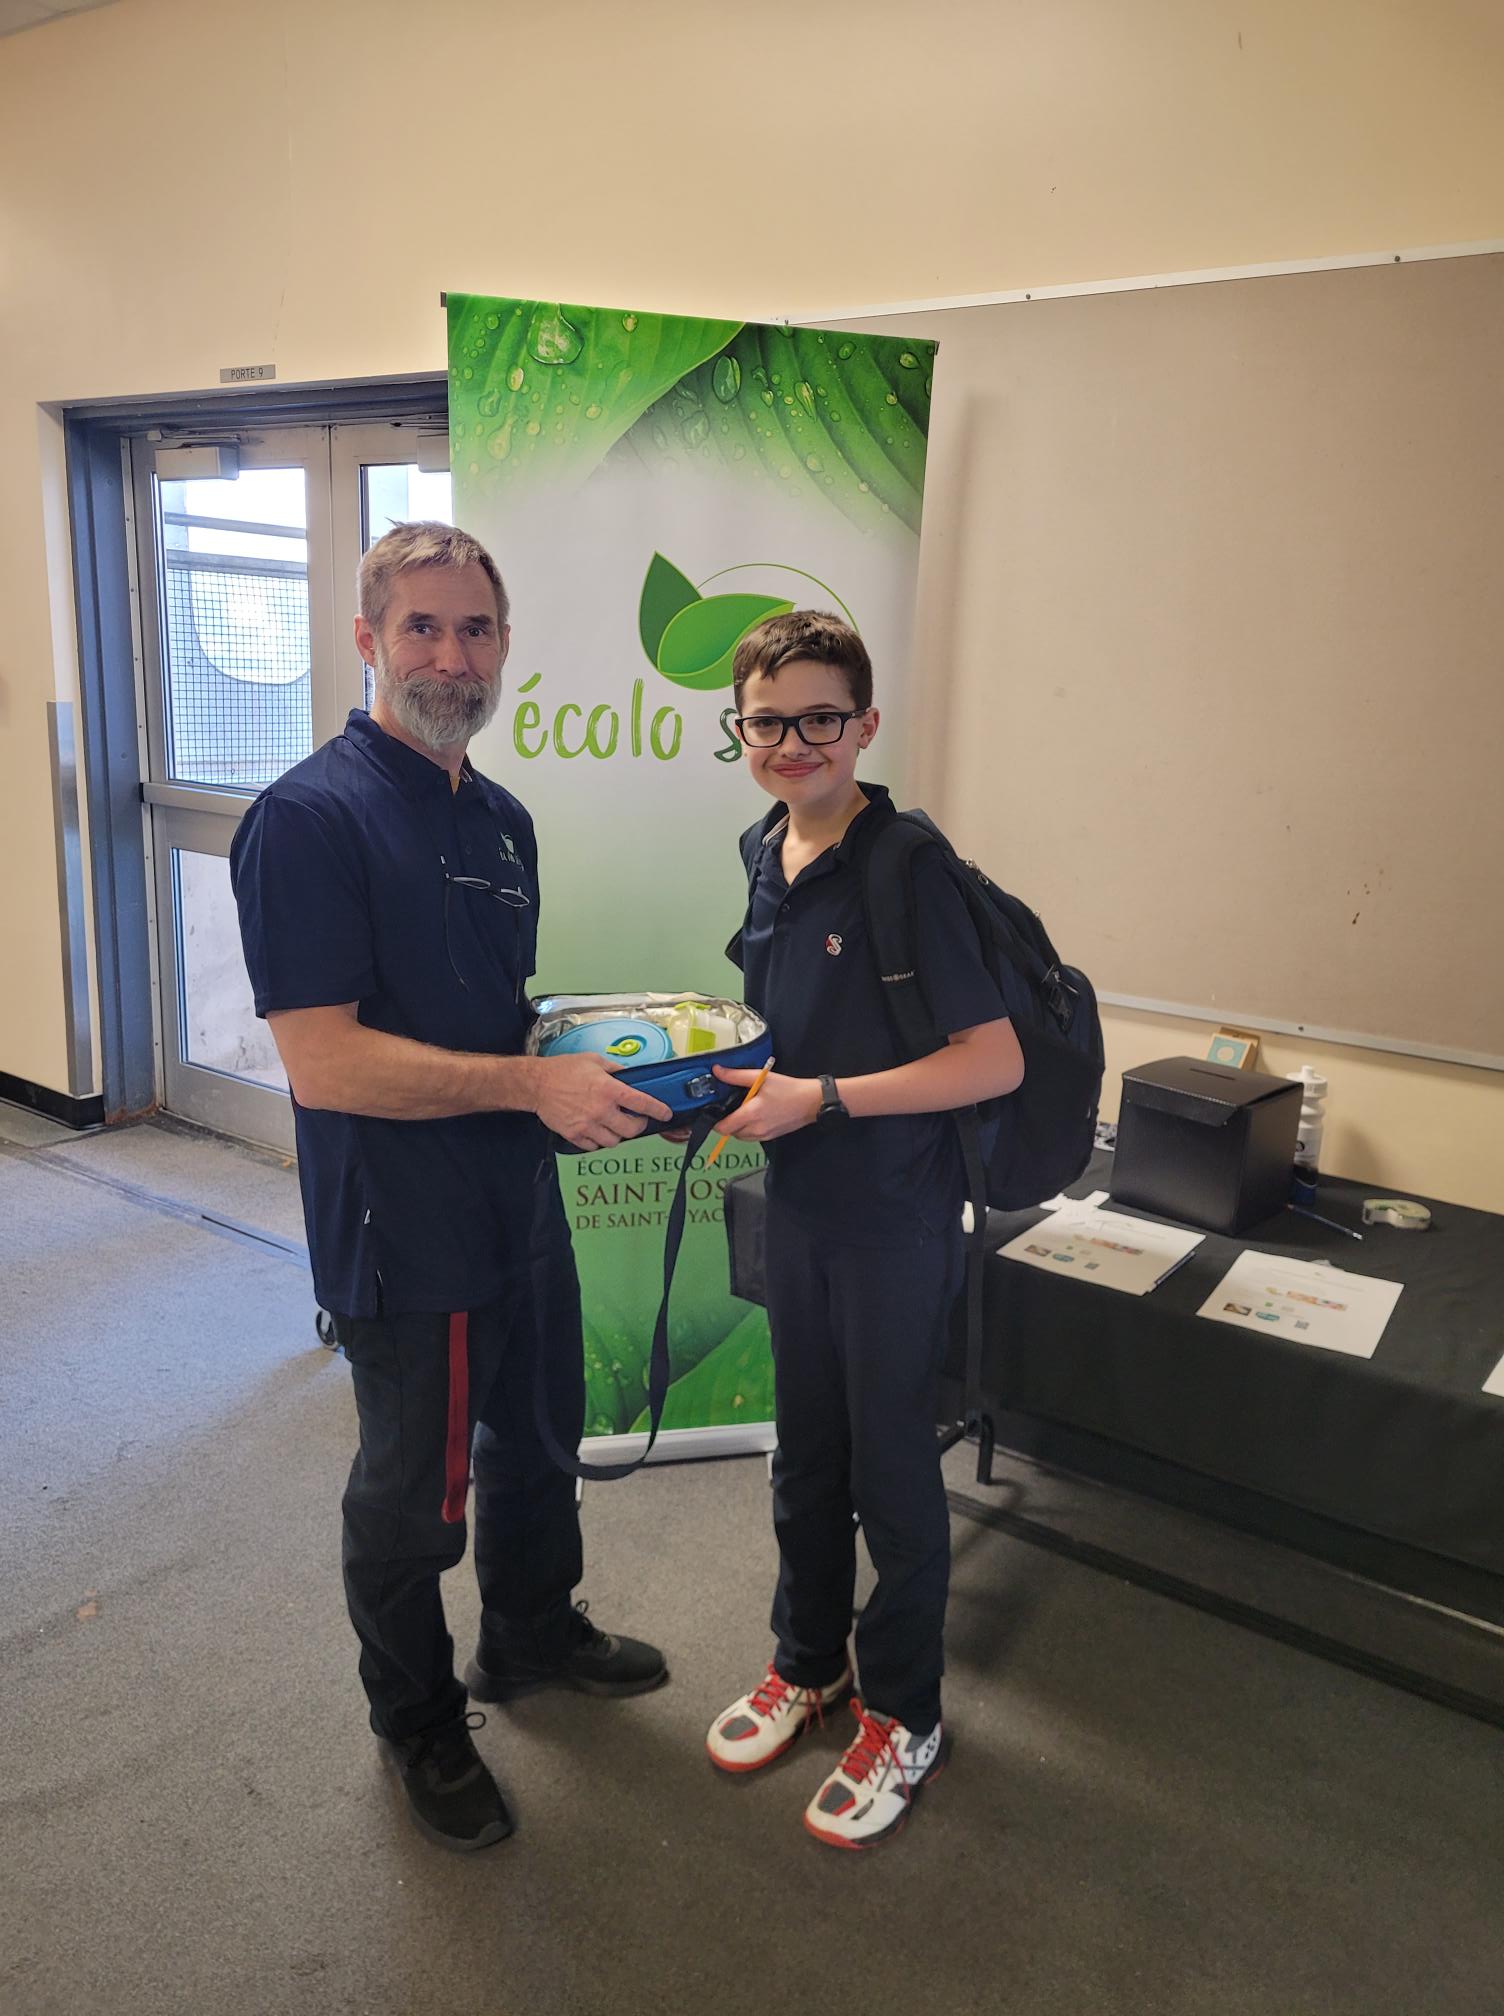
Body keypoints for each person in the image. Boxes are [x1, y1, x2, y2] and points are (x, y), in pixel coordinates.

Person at [230, 522, 670, 1854]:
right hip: (401, 1230)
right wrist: (532, 1084)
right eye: (420, 627)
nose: (451, 657)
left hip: (517, 1199)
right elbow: (324, 1062)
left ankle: (529, 1635)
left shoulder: (501, 818)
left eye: (475, 630)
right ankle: (417, 1716)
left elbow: (491, 1013)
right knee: (411, 1496)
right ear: (366, 638)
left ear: (503, 646)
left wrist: (595, 1056)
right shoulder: (308, 820)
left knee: (537, 1441)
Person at [702, 610, 1024, 1850]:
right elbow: (788, 1027)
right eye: (767, 721)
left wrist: (822, 1100)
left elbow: (988, 1061)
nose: (793, 742)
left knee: (890, 1472)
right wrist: (724, 1083)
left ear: (865, 723)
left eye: (820, 717)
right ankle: (809, 1665)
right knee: (805, 1458)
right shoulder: (763, 847)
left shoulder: (908, 868)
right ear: (740, 729)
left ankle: (903, 1710)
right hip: (800, 1208)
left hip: (893, 1222)